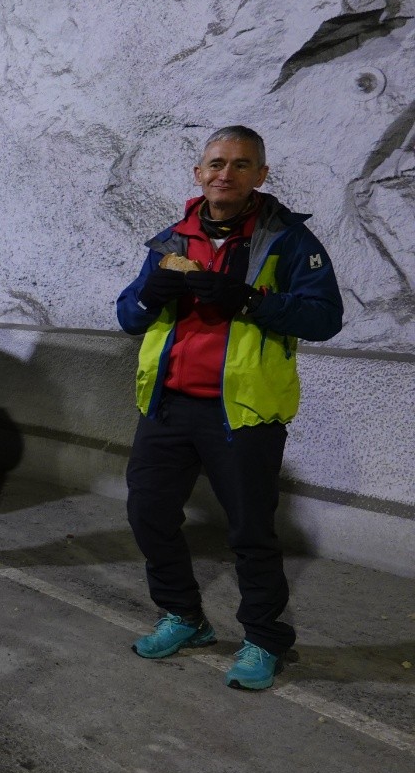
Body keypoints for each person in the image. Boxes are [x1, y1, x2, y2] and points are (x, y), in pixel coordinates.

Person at [116, 127, 343, 690]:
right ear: (199, 174)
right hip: (167, 406)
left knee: (249, 532)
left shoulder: (287, 241)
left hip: (241, 412)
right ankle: (184, 617)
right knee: (148, 514)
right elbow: (128, 315)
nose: (226, 173)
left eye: (241, 165)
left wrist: (249, 301)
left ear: (260, 176)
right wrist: (150, 297)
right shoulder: (171, 240)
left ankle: (263, 639)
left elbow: (325, 317)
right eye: (216, 163)